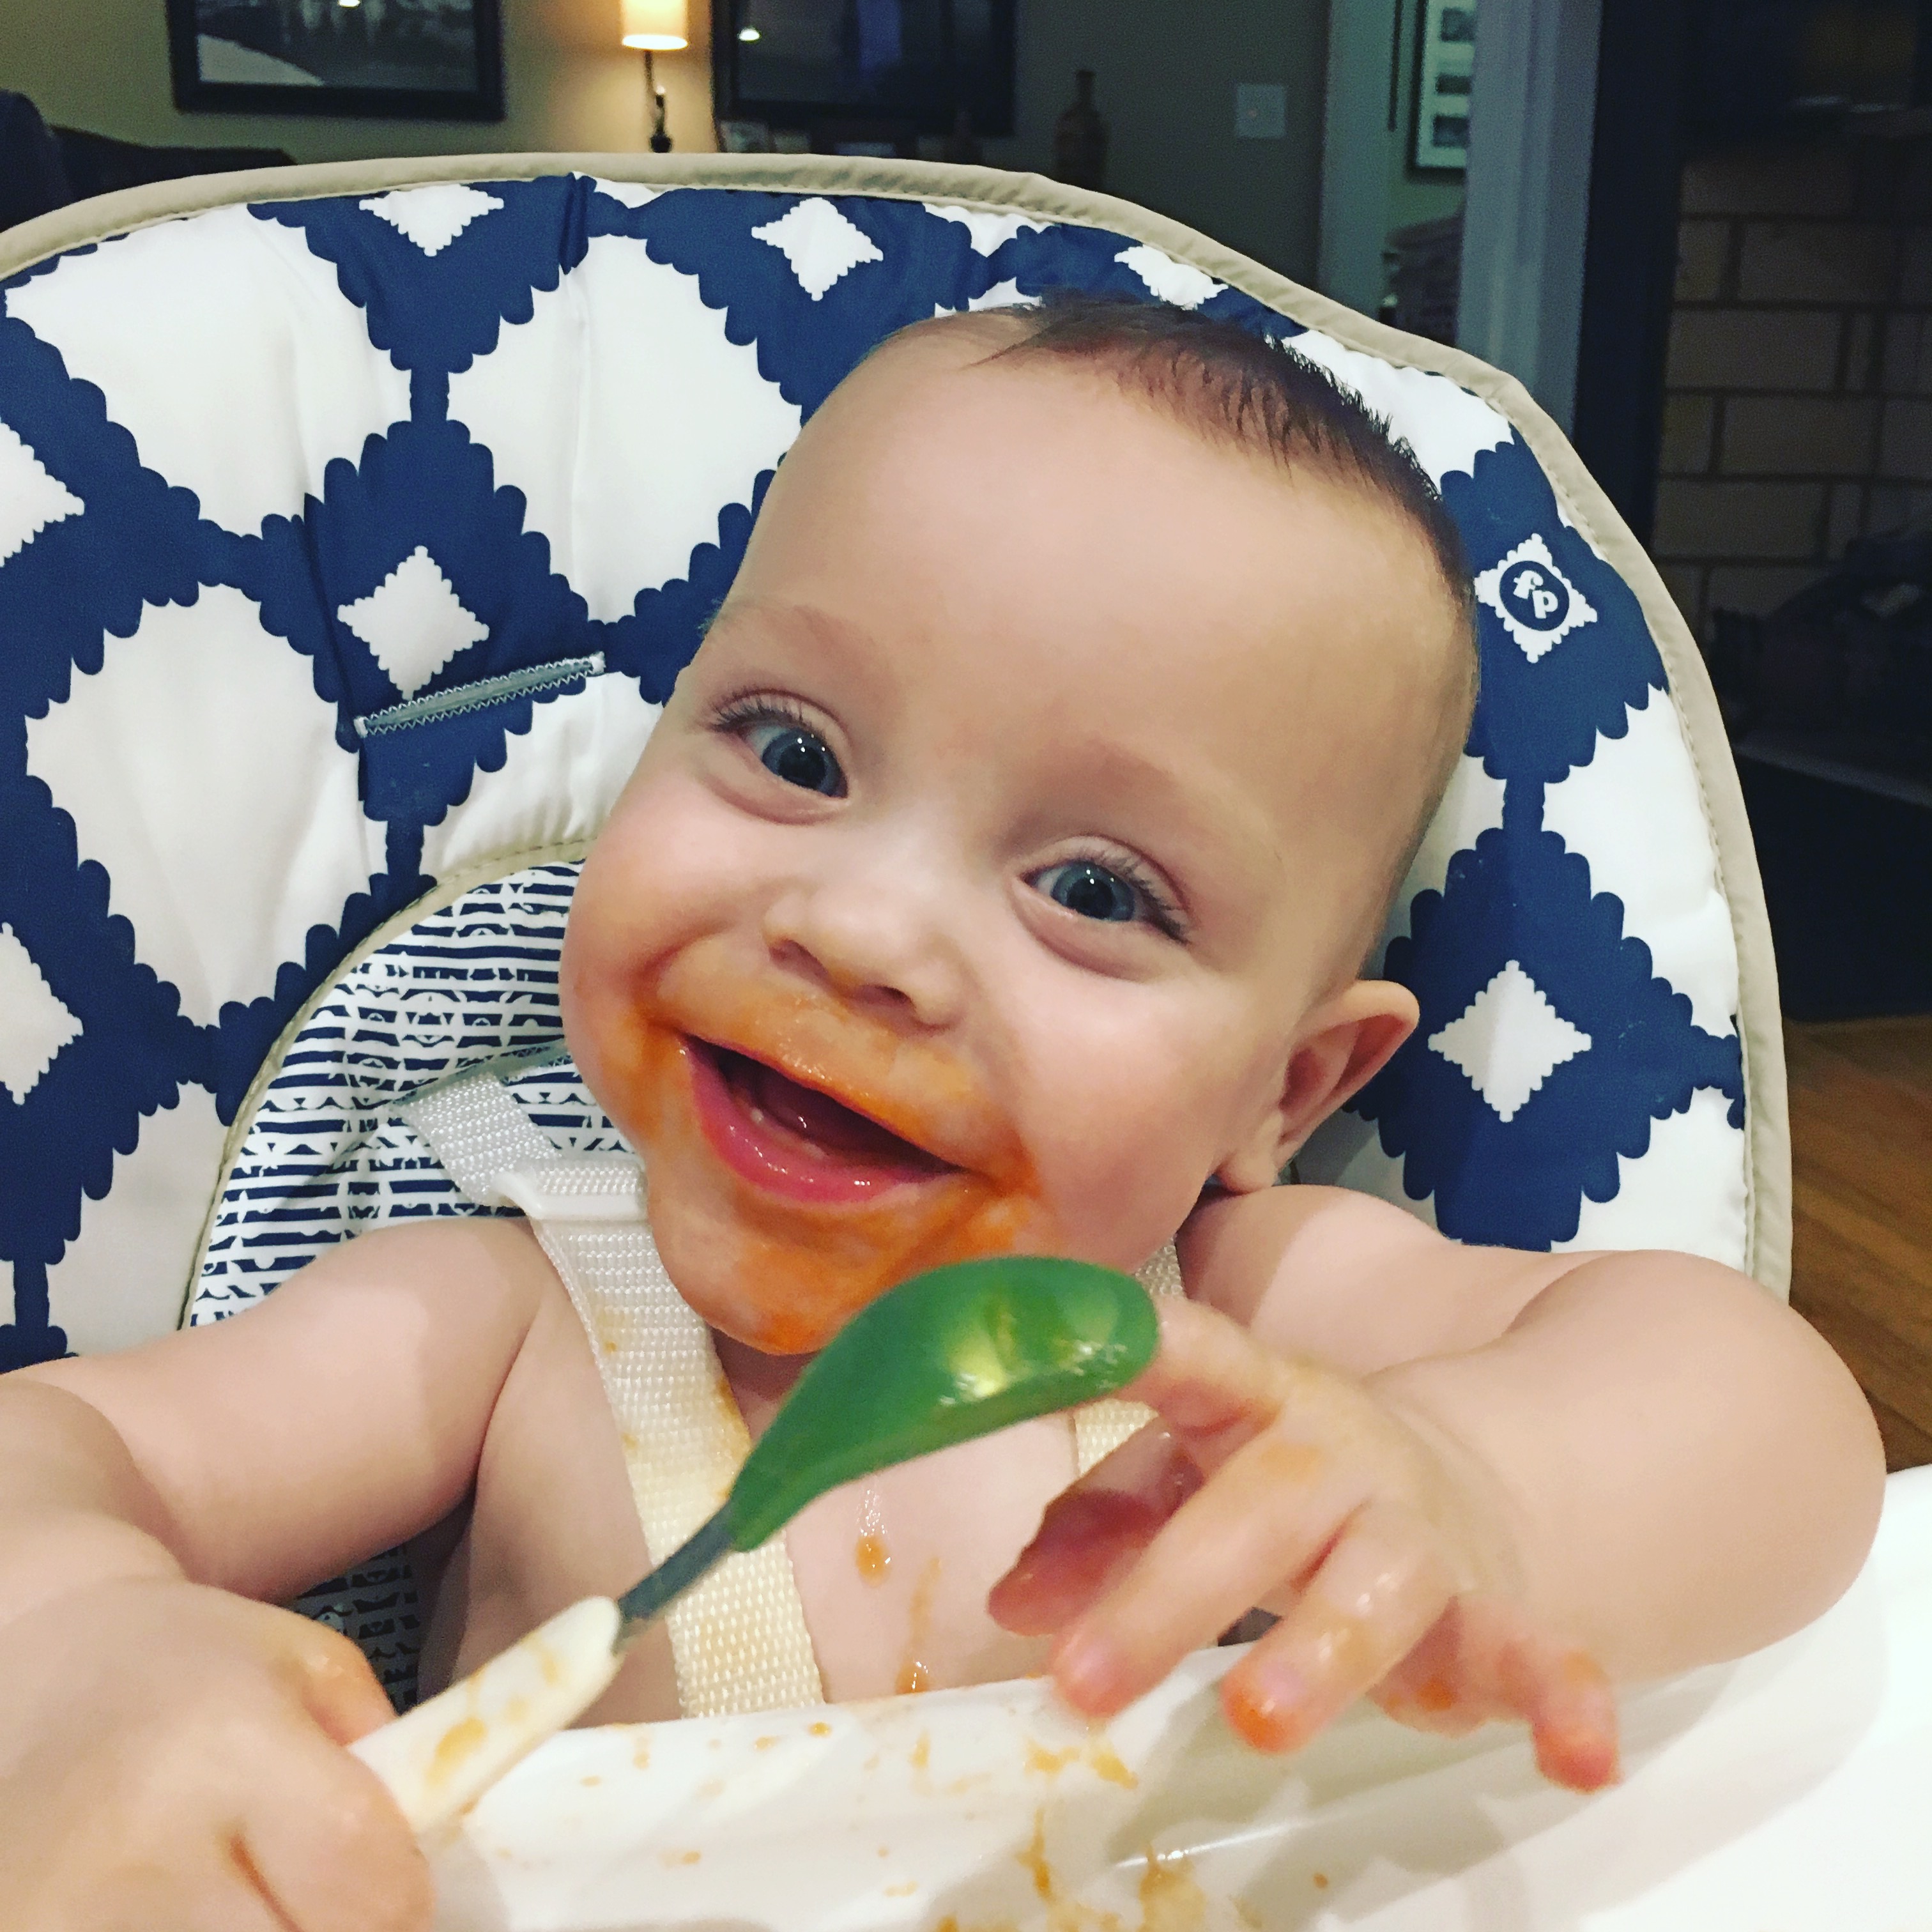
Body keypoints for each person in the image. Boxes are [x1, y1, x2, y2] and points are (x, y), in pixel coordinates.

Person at [0, 298, 1883, 1932]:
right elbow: (72, 1446)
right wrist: (73, 1645)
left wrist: (1473, 1491)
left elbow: (1760, 1410)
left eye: (1096, 891)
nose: (866, 933)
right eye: (793, 751)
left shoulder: (1237, 1323)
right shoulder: (504, 1320)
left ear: (1287, 1090)